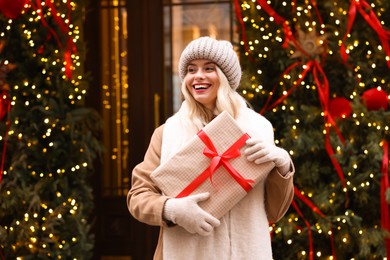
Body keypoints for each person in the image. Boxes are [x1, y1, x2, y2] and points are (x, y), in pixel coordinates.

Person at [127, 36, 294, 260]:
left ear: (226, 77)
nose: (198, 76)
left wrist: (282, 165)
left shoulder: (258, 128)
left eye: (209, 68)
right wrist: (172, 210)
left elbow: (275, 211)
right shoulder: (166, 133)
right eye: (191, 69)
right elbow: (138, 197)